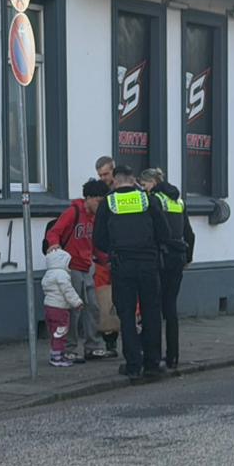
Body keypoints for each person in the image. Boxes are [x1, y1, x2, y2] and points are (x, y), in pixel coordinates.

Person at [93, 164, 169, 381]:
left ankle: (134, 365)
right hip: (148, 264)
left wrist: (114, 251)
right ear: (133, 179)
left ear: (116, 181)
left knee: (126, 315)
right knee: (151, 313)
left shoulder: (109, 202)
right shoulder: (148, 200)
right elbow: (163, 231)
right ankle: (153, 363)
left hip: (122, 265)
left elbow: (98, 238)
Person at [45, 179, 112, 361]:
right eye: (98, 201)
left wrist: (106, 260)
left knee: (93, 307)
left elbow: (95, 243)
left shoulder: (96, 218)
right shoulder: (73, 212)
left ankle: (93, 346)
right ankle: (70, 348)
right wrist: (54, 245)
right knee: (73, 310)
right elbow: (54, 232)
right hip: (71, 267)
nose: (101, 205)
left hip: (87, 265)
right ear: (88, 198)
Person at [140, 168, 195, 372]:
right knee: (170, 308)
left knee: (153, 307)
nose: (143, 189)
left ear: (152, 182)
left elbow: (153, 230)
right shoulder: (179, 201)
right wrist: (188, 258)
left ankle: (152, 355)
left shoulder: (154, 200)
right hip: (178, 257)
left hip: (161, 258)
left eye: (144, 185)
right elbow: (189, 233)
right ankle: (173, 356)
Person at [41, 247, 83, 368]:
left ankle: (55, 352)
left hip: (49, 307)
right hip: (60, 308)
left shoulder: (48, 274)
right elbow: (68, 291)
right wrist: (77, 303)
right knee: (61, 332)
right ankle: (57, 357)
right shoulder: (62, 275)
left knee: (54, 333)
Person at [92, 156, 118, 353]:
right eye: (100, 175)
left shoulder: (124, 190)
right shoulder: (99, 192)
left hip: (121, 253)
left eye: (106, 174)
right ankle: (110, 340)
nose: (103, 178)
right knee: (105, 298)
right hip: (103, 255)